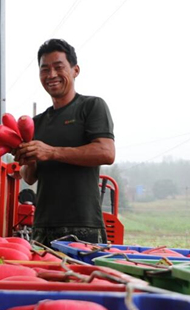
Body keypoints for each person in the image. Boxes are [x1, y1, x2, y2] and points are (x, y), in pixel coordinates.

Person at [13, 39, 115, 246]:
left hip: (83, 226)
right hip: (42, 227)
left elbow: (106, 152)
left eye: (58, 67)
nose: (51, 75)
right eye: (44, 69)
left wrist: (51, 152)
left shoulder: (91, 106)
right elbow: (30, 178)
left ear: (75, 70)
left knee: (85, 279)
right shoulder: (36, 123)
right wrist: (29, 159)